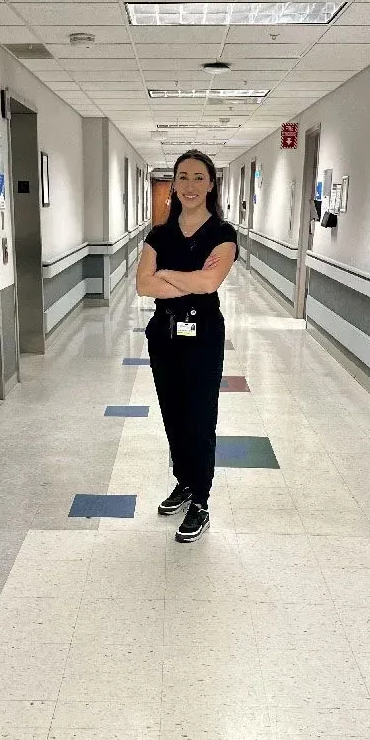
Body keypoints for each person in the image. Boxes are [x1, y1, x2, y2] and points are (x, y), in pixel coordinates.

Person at [136, 150, 238, 543]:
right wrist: (188, 278)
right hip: (164, 335)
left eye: (199, 177)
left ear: (211, 184)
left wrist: (166, 273)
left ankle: (201, 500)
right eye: (183, 177)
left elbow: (209, 284)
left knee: (200, 417)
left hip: (204, 336)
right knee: (173, 415)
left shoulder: (222, 234)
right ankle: (183, 481)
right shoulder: (159, 234)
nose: (190, 186)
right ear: (174, 184)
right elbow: (144, 285)